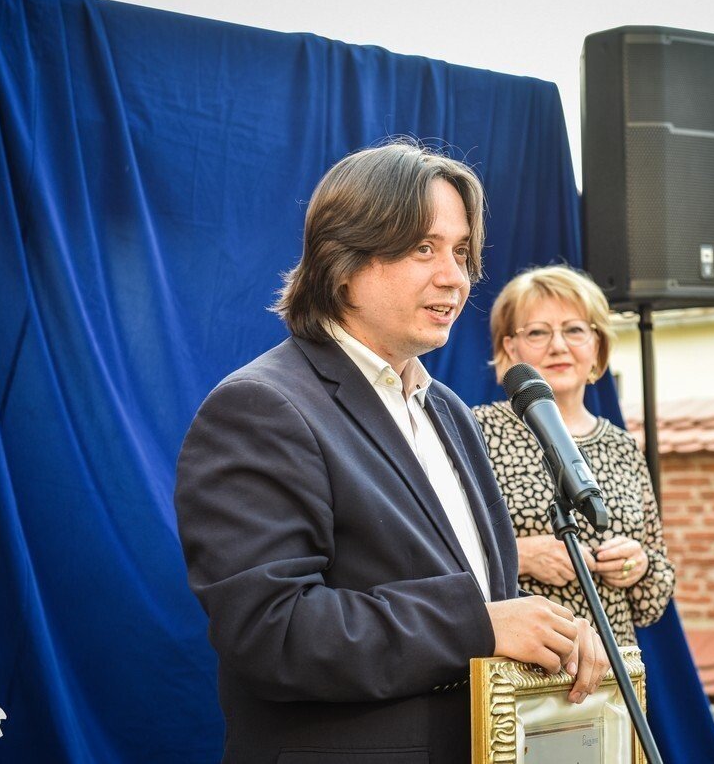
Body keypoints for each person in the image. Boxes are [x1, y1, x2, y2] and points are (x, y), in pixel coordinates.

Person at [174, 143, 607, 763]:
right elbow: (273, 634)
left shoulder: (447, 410)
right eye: (424, 248)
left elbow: (490, 603)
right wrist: (480, 626)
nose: (455, 277)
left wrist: (550, 635)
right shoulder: (261, 407)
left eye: (461, 251)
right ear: (342, 262)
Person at [472, 265, 675, 648]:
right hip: (520, 669)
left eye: (575, 330)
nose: (558, 346)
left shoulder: (622, 445)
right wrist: (521, 556)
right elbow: (438, 559)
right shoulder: (475, 431)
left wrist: (640, 566)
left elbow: (656, 594)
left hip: (615, 669)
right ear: (510, 348)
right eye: (537, 332)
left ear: (597, 345)